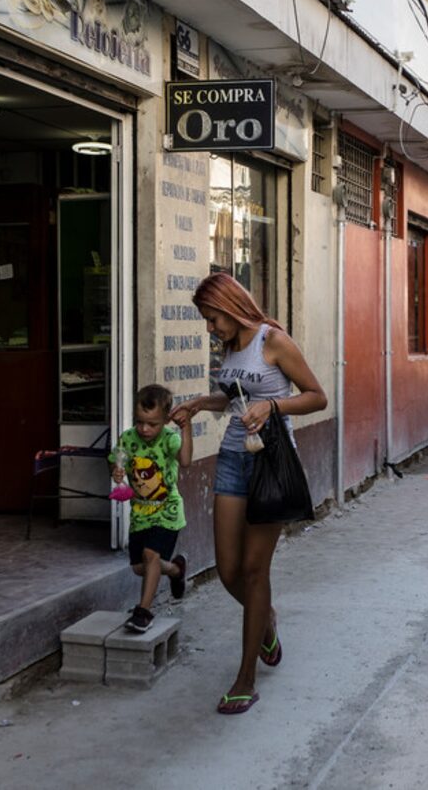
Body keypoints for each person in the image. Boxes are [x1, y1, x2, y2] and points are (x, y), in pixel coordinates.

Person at [171, 273, 327, 715]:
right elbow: (232, 397)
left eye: (212, 318)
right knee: (227, 570)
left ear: (230, 305)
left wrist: (272, 406)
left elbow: (318, 397)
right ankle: (267, 620)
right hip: (232, 461)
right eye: (206, 320)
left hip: (272, 464)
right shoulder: (230, 348)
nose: (209, 328)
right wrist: (201, 403)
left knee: (255, 572)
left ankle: (245, 678)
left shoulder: (272, 341)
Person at [111, 384, 192, 633]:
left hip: (167, 511)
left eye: (152, 424)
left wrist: (186, 428)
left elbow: (186, 461)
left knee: (151, 556)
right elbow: (116, 460)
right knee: (139, 568)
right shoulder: (127, 438)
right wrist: (116, 471)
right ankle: (176, 570)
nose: (145, 429)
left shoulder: (170, 439)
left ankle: (143, 612)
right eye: (140, 422)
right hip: (140, 513)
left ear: (166, 420)